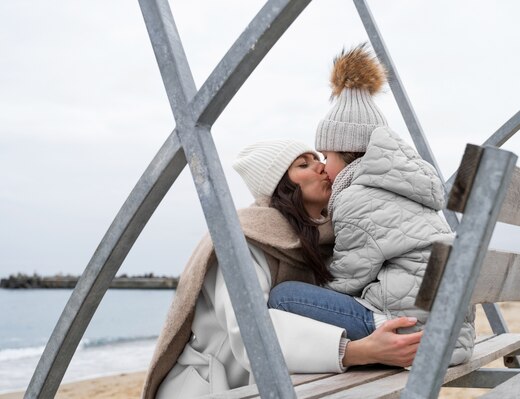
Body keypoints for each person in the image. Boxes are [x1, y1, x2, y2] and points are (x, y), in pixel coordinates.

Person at [142, 140, 423, 399]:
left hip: (281, 384)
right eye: (304, 164)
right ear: (281, 186)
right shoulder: (244, 236)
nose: (321, 166)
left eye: (319, 159)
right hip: (213, 387)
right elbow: (250, 332)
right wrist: (356, 352)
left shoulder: (329, 238)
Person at [268, 44, 475, 366]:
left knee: (284, 296)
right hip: (450, 332)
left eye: (326, 157)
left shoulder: (357, 197)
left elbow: (350, 277)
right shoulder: (404, 187)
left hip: (410, 334)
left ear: (348, 152)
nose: (325, 167)